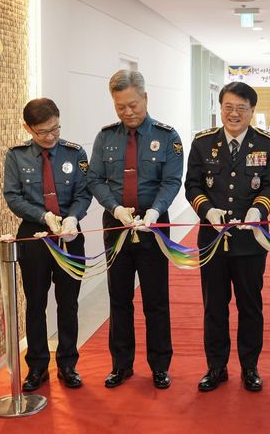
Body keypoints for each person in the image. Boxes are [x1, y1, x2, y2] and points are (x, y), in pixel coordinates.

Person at [87, 70, 184, 389]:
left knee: (156, 298)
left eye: (133, 105)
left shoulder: (167, 137)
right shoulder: (105, 137)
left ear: (145, 98)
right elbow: (94, 179)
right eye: (120, 107)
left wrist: (155, 211)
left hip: (153, 225)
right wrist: (114, 208)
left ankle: (160, 365)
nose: (127, 112)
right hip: (117, 225)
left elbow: (172, 180)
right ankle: (121, 364)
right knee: (119, 297)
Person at [185, 81, 270, 392]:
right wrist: (207, 211)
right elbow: (192, 185)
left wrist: (258, 210)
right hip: (212, 241)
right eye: (228, 107)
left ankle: (250, 367)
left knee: (250, 306)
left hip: (251, 241)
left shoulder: (268, 144)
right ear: (220, 108)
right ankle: (216, 367)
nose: (234, 114)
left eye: (241, 108)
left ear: (252, 111)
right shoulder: (203, 143)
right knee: (214, 306)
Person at [3, 98, 91, 391]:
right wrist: (43, 216)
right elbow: (12, 196)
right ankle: (37, 367)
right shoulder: (16, 156)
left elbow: (83, 193)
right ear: (28, 128)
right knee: (36, 302)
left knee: (68, 302)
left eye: (56, 128)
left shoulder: (75, 153)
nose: (52, 136)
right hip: (34, 234)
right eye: (43, 132)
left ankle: (68, 364)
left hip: (69, 235)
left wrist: (73, 218)